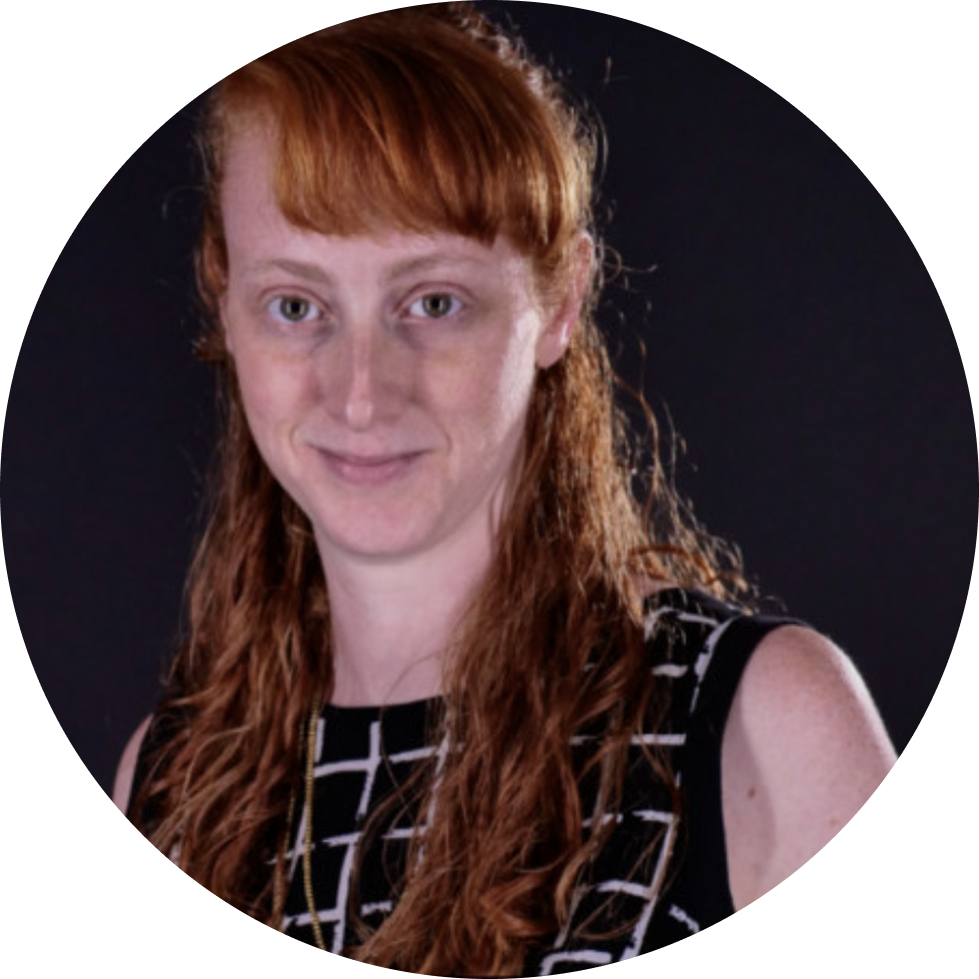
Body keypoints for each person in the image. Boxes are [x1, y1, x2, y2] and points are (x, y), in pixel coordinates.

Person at [112, 4, 897, 973]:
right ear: (224, 303)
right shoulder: (168, 783)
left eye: (433, 302)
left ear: (560, 303)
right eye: (296, 305)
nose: (360, 394)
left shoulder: (758, 727)